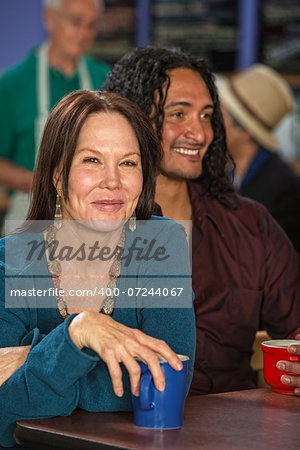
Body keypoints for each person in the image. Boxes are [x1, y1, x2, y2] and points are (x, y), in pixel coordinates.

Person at [0, 90, 195, 448]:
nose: (113, 181)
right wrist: (80, 331)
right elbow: (5, 418)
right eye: (92, 160)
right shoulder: (9, 262)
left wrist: (38, 356)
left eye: (128, 163)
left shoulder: (163, 244)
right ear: (58, 175)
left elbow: (165, 383)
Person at [102, 46, 300, 396]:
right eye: (178, 114)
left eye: (207, 115)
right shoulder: (94, 225)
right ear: (133, 118)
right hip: (120, 431)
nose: (200, 132)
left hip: (234, 435)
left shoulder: (250, 224)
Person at [0, 0, 110, 232]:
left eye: (91, 25)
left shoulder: (105, 79)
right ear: (50, 18)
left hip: (92, 219)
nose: (84, 33)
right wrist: (43, 183)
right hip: (28, 217)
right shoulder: (11, 85)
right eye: (76, 22)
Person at [215, 65, 300, 252]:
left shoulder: (279, 188)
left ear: (245, 130)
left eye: (219, 116)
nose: (210, 123)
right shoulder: (230, 172)